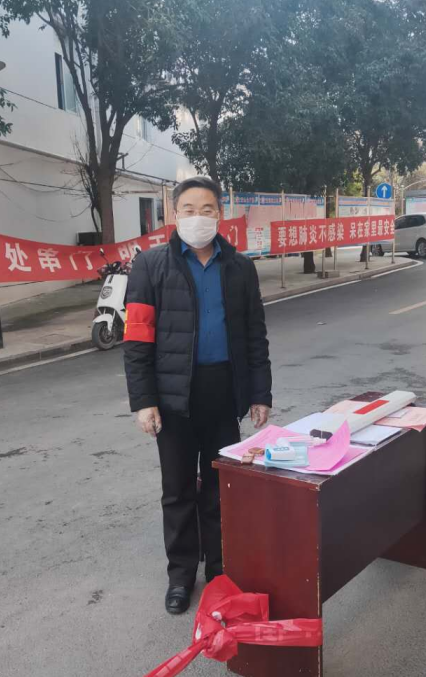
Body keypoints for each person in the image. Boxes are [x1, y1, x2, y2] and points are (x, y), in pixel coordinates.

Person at [123, 176, 272, 615]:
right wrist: (144, 401)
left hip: (223, 392)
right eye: (189, 209)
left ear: (219, 214)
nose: (198, 217)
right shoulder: (150, 266)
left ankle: (221, 569)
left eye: (207, 209)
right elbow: (137, 339)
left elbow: (255, 336)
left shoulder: (239, 268)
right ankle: (181, 575)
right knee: (178, 491)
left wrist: (259, 392)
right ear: (175, 215)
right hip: (173, 398)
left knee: (222, 488)